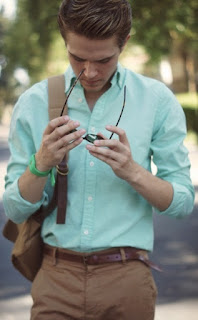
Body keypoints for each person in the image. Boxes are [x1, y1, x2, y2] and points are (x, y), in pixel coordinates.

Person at [3, 0, 195, 319]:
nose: (89, 72)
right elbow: (14, 208)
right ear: (65, 40)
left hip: (128, 278)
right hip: (55, 278)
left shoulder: (157, 100)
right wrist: (42, 163)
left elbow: (183, 204)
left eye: (104, 60)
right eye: (77, 57)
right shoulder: (34, 102)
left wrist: (132, 171)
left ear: (125, 42)